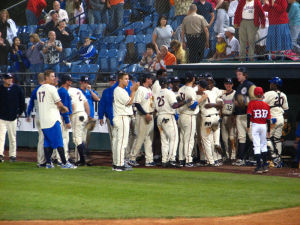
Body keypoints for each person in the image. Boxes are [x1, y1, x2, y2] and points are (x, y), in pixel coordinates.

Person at [36, 70, 76, 169]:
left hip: (43, 120)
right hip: (53, 119)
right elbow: (59, 104)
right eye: (52, 76)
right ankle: (64, 163)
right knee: (59, 141)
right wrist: (64, 108)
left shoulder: (39, 89)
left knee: (47, 142)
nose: (54, 78)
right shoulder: (52, 88)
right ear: (46, 78)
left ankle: (49, 163)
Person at [155, 76, 192, 167]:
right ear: (166, 83)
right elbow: (174, 106)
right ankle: (171, 159)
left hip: (159, 117)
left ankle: (164, 160)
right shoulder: (169, 92)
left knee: (164, 140)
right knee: (174, 139)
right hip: (168, 116)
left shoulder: (156, 93)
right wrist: (185, 102)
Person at [177, 72, 207, 167]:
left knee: (182, 139)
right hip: (188, 116)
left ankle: (181, 159)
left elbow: (178, 102)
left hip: (181, 116)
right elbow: (193, 106)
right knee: (189, 139)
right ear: (193, 79)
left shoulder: (181, 89)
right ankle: (188, 160)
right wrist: (202, 98)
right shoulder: (190, 90)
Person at [112, 73, 139, 171]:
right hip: (122, 118)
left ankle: (116, 164)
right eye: (125, 79)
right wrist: (133, 91)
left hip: (119, 117)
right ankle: (119, 164)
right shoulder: (119, 90)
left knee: (116, 142)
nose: (127, 81)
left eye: (128, 79)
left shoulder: (120, 90)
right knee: (122, 142)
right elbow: (130, 102)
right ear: (120, 80)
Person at [129, 74, 155, 167]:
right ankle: (132, 158)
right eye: (150, 78)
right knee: (140, 138)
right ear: (146, 79)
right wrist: (146, 113)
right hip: (142, 116)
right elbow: (137, 104)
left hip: (150, 115)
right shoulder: (140, 89)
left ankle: (149, 160)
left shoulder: (149, 89)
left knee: (148, 139)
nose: (152, 80)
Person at [0, 73, 25, 163]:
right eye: (8, 78)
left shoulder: (17, 88)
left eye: (11, 78)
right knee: (1, 137)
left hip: (12, 117)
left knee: (12, 137)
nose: (10, 80)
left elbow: (22, 101)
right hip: (1, 117)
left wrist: (20, 112)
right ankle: (0, 154)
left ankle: (12, 155)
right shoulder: (1, 88)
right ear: (4, 79)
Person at [264, 77, 288, 167]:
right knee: (277, 139)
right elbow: (286, 110)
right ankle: (279, 158)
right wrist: (285, 121)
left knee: (267, 138)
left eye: (272, 83)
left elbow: (261, 103)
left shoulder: (269, 93)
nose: (270, 84)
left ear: (275, 84)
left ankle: (274, 157)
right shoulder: (283, 95)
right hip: (281, 118)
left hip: (273, 118)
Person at [233, 67, 256, 166]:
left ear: (245, 75)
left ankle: (258, 157)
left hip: (248, 115)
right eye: (237, 74)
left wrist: (244, 102)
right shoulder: (239, 86)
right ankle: (241, 158)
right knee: (241, 137)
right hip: (239, 115)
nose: (237, 76)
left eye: (239, 74)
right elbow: (236, 101)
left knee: (252, 136)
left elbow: (255, 100)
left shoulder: (250, 85)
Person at [247, 87, 271, 174]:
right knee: (263, 145)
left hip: (255, 125)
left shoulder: (251, 103)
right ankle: (265, 165)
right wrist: (268, 130)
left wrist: (247, 126)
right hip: (264, 126)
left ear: (254, 94)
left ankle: (258, 166)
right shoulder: (267, 105)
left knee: (257, 146)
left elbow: (249, 115)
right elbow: (268, 120)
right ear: (262, 94)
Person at [68, 76, 91, 166]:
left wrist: (68, 119)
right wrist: (88, 116)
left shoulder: (68, 91)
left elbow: (72, 106)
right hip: (84, 115)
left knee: (77, 139)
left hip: (76, 115)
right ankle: (81, 159)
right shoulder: (77, 91)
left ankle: (83, 160)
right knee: (82, 139)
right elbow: (86, 104)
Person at [26, 73, 46, 167]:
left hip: (38, 117)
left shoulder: (35, 91)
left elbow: (30, 104)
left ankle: (42, 159)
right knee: (44, 139)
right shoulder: (46, 89)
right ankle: (42, 160)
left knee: (41, 138)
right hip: (45, 118)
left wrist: (28, 114)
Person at [57, 74, 73, 163]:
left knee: (62, 138)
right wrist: (67, 120)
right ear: (66, 81)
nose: (71, 82)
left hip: (61, 117)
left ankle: (59, 158)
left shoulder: (61, 91)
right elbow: (64, 108)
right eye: (69, 80)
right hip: (62, 118)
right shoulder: (63, 92)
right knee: (64, 139)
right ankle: (63, 159)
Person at [98, 74, 117, 149]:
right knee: (113, 138)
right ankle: (115, 157)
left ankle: (123, 157)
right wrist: (100, 117)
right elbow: (102, 105)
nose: (112, 82)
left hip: (120, 117)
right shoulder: (106, 91)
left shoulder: (122, 91)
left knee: (120, 139)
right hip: (110, 118)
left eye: (114, 80)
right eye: (111, 80)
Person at [220, 78, 236, 162]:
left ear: (232, 85)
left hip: (231, 117)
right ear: (224, 85)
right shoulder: (221, 94)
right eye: (226, 84)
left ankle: (233, 156)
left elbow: (237, 105)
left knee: (232, 138)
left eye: (229, 84)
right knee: (224, 139)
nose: (228, 85)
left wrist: (235, 115)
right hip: (223, 117)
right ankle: (227, 155)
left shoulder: (235, 93)